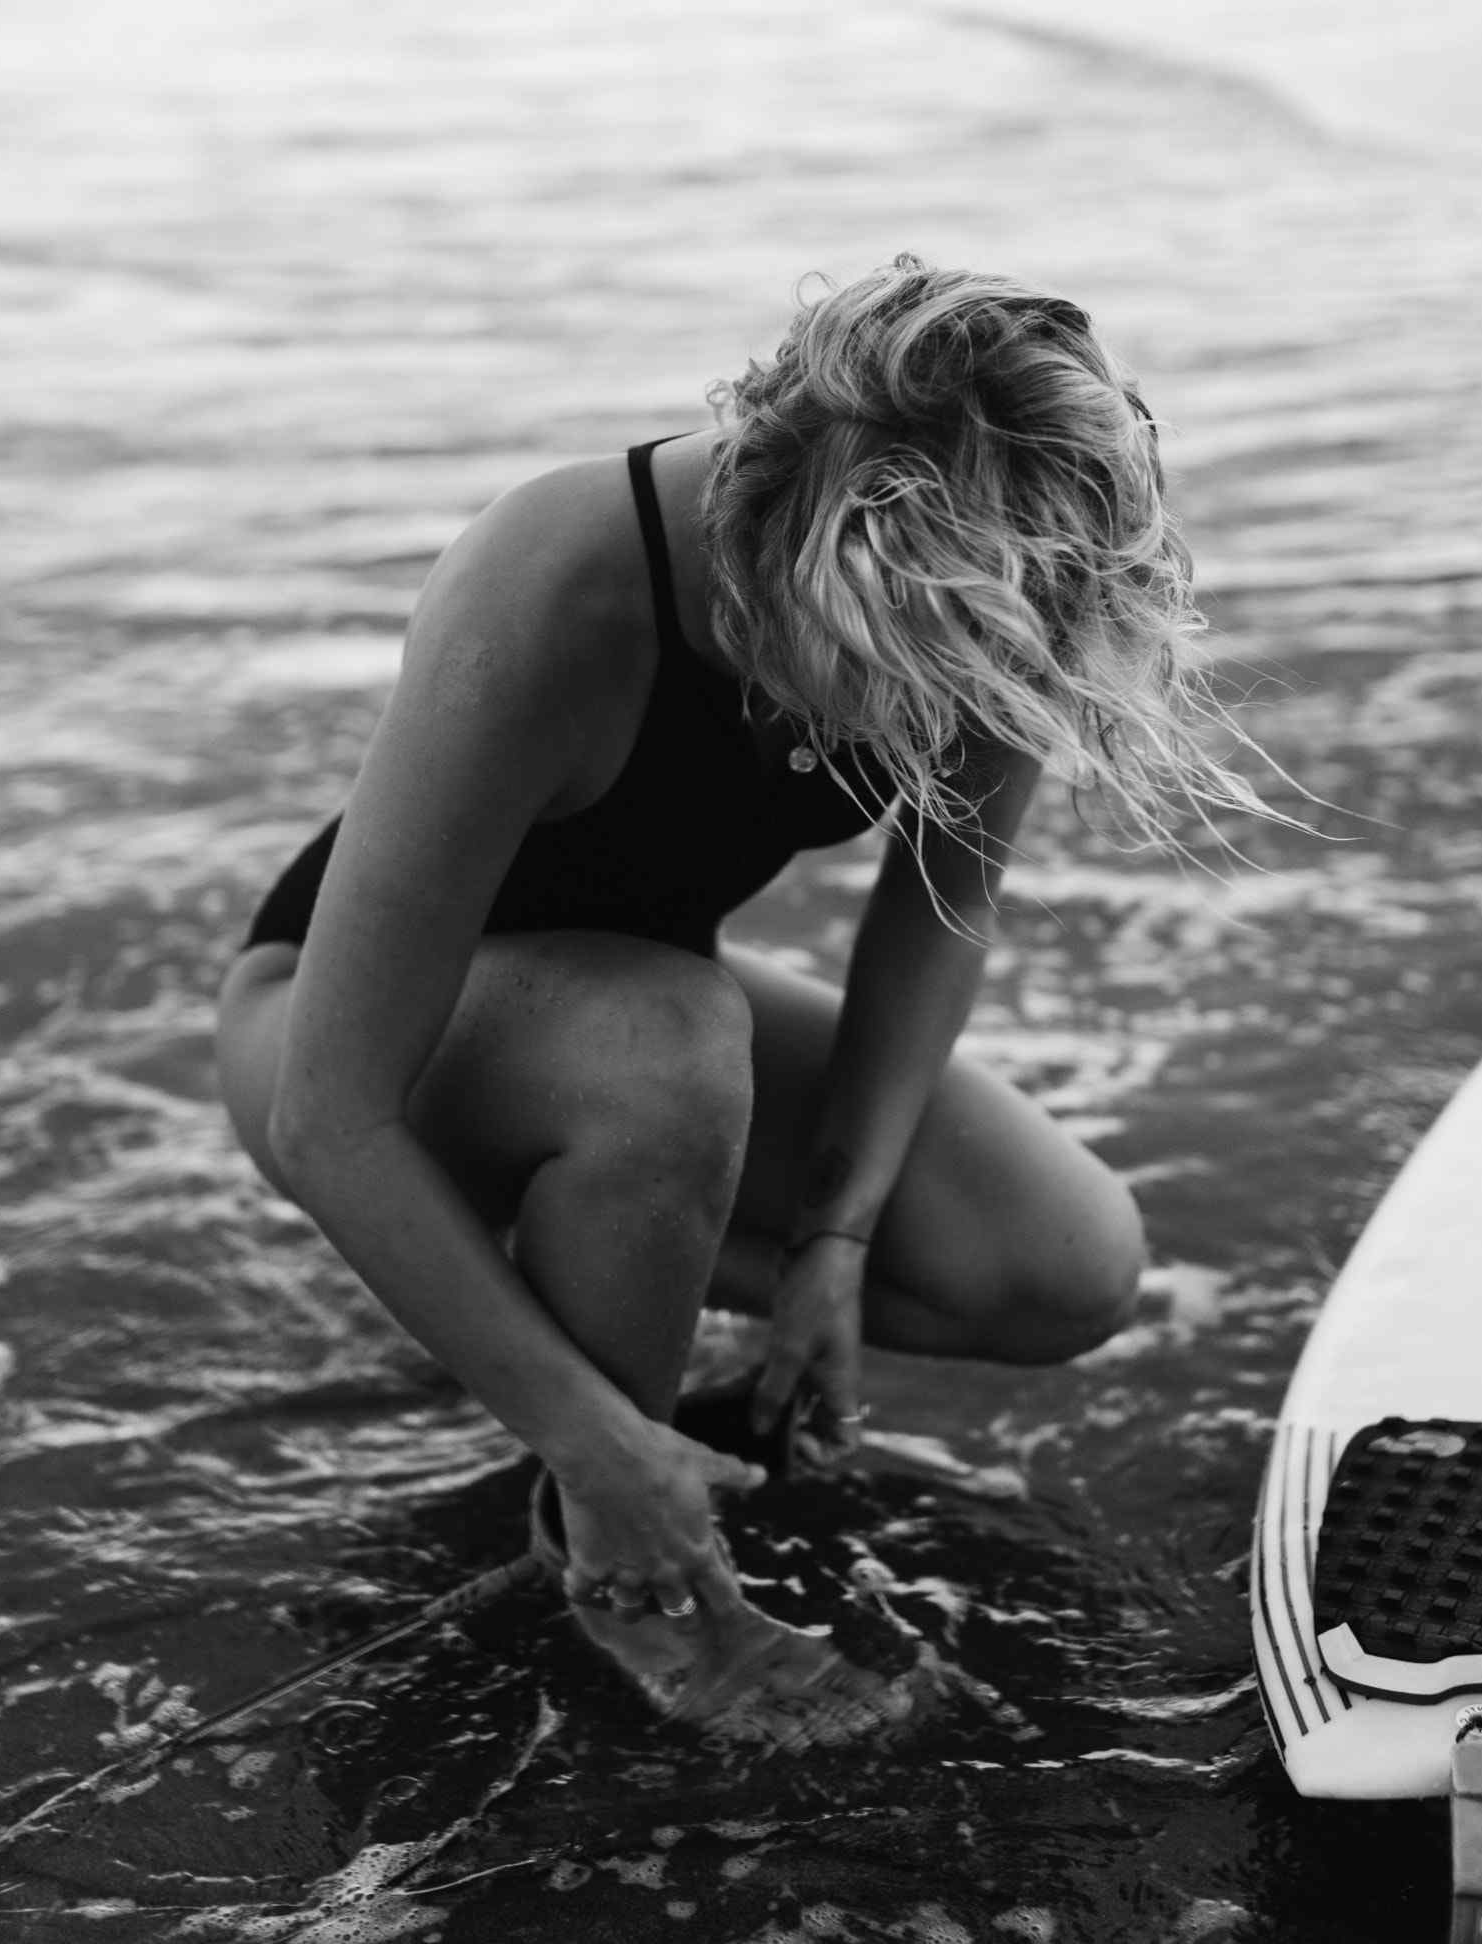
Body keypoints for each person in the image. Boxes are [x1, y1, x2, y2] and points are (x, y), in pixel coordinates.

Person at [214, 254, 1249, 1731]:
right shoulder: (563, 577)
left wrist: (836, 1235)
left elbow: (938, 909)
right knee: (666, 1047)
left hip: (629, 1029)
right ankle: (615, 1557)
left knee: (1063, 1261)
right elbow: (330, 1115)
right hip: (333, 1033)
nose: (925, 720)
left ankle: (569, 1294)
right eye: (885, 678)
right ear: (789, 554)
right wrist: (592, 1444)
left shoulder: (1002, 551)